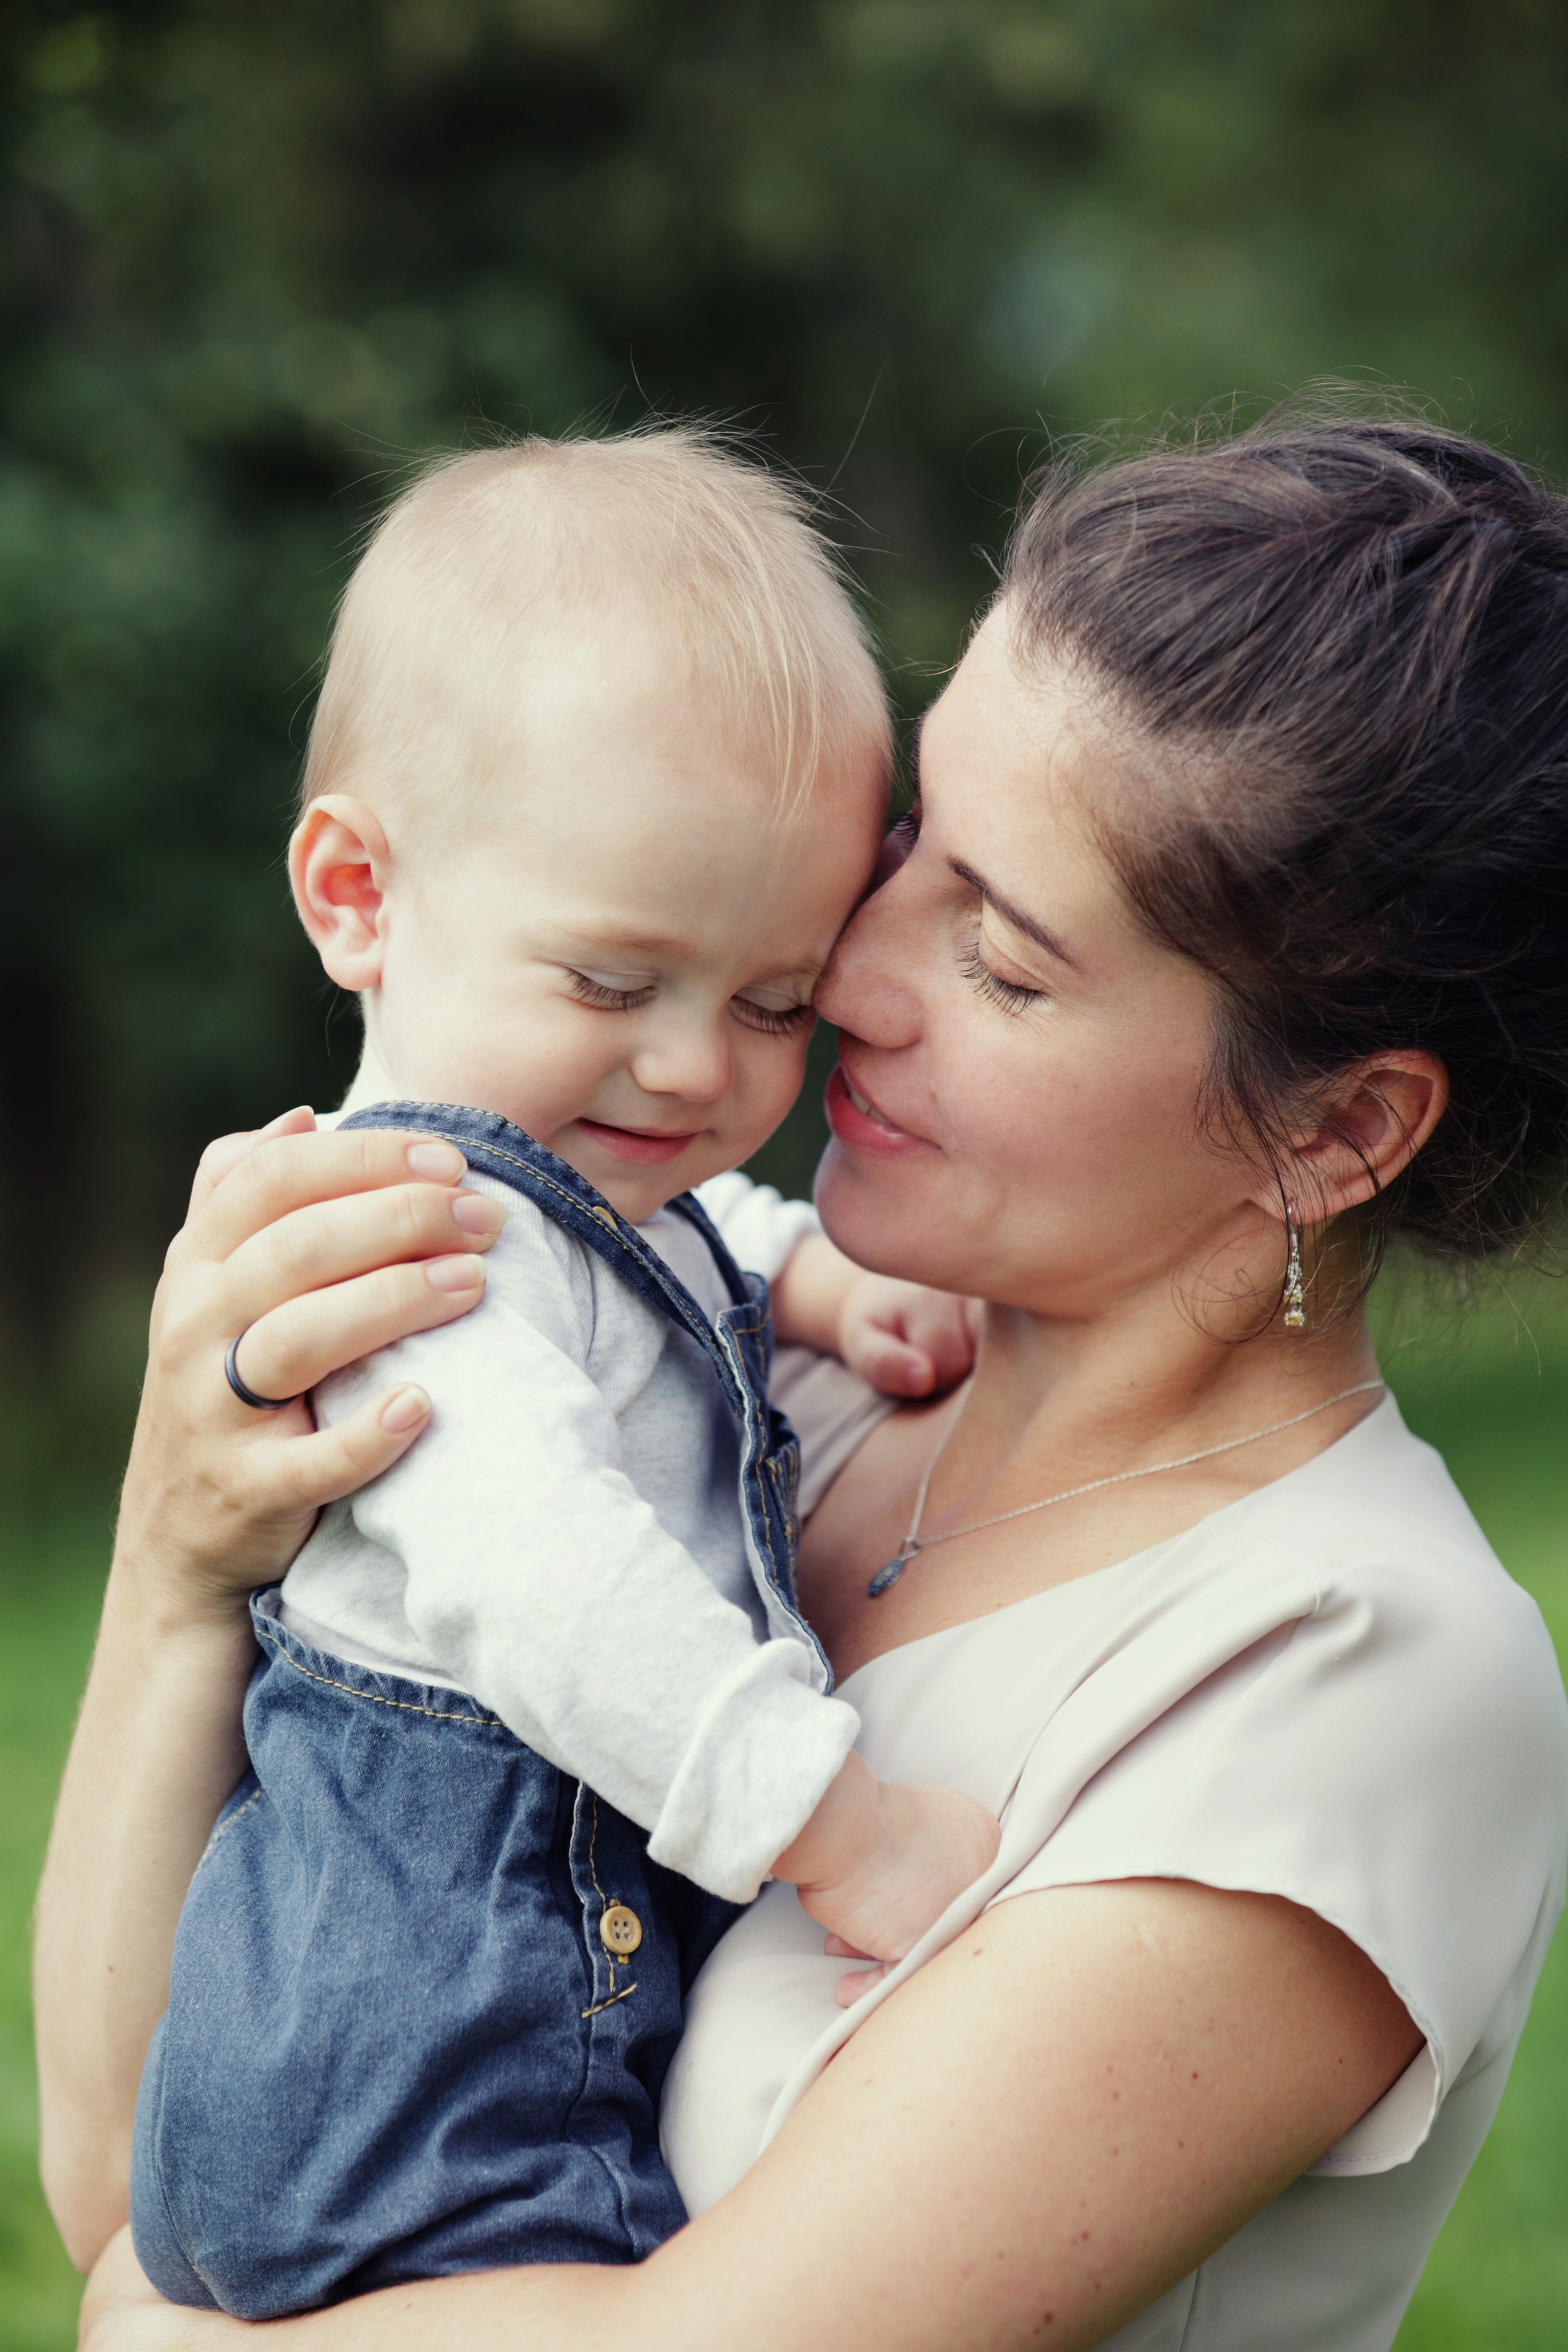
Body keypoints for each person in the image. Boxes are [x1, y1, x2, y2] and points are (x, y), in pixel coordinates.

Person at [45, 403, 1568, 2352]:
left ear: (1337, 1133)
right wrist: (180, 1572)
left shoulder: (1353, 1671)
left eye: (1005, 963)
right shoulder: (752, 1375)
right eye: (914, 840)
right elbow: (125, 2178)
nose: (843, 972)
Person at [127, 428, 997, 2319]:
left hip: (406, 2032)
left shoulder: (554, 1206)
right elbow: (559, 1580)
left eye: (775, 1002)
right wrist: (835, 1830)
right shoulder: (411, 1267)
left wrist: (820, 1280)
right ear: (357, 896)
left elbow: (679, 1255)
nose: (696, 1071)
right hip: (427, 2064)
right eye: (614, 986)